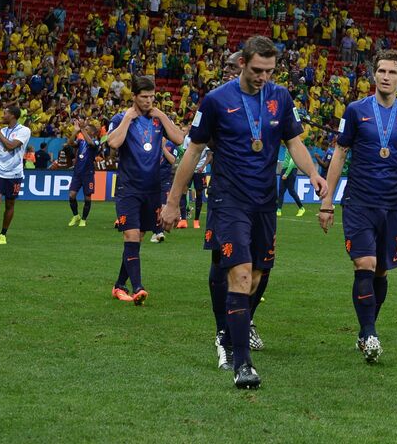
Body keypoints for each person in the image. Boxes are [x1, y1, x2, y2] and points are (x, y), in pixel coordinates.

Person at [163, 36, 327, 390]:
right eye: (256, 70)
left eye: (269, 71)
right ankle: (242, 363)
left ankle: (228, 331)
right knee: (238, 276)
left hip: (265, 203)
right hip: (229, 200)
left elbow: (294, 142)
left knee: (256, 278)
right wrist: (174, 201)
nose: (262, 77)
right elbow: (192, 152)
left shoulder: (281, 98)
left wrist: (312, 173)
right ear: (242, 63)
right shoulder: (216, 101)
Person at [320, 50, 397, 364]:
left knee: (382, 270)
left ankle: (367, 329)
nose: (385, 77)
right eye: (381, 71)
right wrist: (327, 201)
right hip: (359, 201)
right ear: (374, 74)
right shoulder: (356, 110)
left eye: (392, 72)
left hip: (393, 204)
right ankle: (370, 332)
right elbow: (340, 154)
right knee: (366, 264)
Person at [103, 76, 186, 305]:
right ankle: (138, 287)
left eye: (152, 97)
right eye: (144, 97)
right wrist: (128, 119)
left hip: (152, 189)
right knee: (130, 235)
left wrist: (162, 115)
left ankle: (119, 285)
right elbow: (113, 143)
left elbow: (179, 139)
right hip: (128, 188)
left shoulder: (158, 119)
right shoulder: (121, 118)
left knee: (137, 238)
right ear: (134, 97)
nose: (149, 101)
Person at [0, 106, 30, 245]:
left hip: (14, 173)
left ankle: (3, 234)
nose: (2, 115)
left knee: (10, 204)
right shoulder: (2, 131)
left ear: (13, 116)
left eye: (5, 113)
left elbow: (11, 146)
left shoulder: (24, 131)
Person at [66, 118, 99, 227]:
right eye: (85, 128)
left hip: (88, 173)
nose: (84, 130)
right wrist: (75, 131)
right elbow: (70, 143)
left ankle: (84, 219)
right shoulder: (80, 142)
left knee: (87, 198)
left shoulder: (96, 142)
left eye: (87, 129)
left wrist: (81, 129)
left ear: (92, 132)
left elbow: (90, 142)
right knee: (71, 195)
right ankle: (76, 216)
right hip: (77, 172)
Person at [276, 146, 305, 218]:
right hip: (285, 169)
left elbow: (293, 161)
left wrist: (286, 173)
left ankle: (301, 208)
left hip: (291, 170)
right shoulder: (287, 146)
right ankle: (279, 209)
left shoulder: (293, 147)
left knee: (291, 191)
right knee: (281, 190)